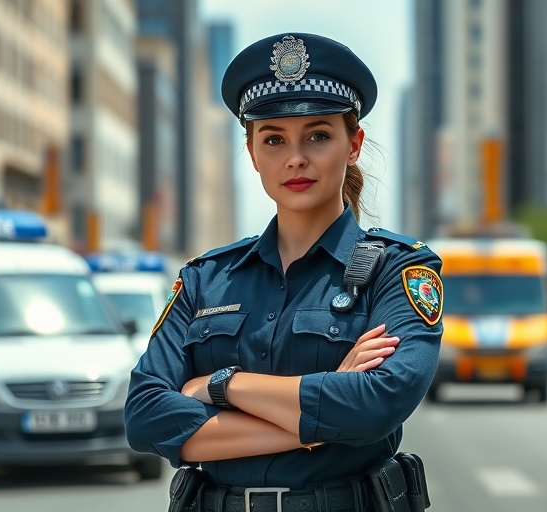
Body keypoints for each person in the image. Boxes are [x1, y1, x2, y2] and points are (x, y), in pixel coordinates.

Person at [124, 32, 442, 512]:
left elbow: (378, 403)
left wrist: (219, 385)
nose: (295, 157)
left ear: (353, 144)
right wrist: (317, 422)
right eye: (273, 138)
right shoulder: (205, 278)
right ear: (252, 152)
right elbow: (146, 417)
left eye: (318, 135)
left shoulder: (399, 269)